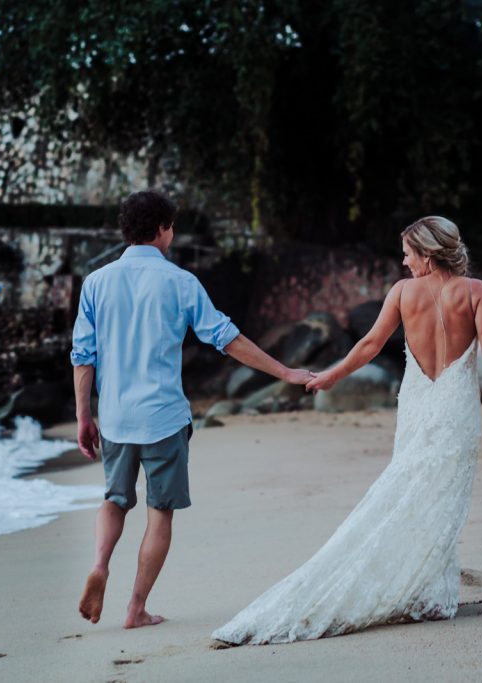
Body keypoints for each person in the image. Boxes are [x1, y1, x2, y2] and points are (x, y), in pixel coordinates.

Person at [213, 216, 482, 645]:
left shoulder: (403, 294)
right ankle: (430, 596)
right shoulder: (476, 292)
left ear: (428, 253)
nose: (403, 262)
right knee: (441, 495)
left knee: (414, 489)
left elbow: (369, 345)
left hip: (419, 406)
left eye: (408, 253)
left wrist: (330, 376)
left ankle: (428, 591)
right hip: (455, 408)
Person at [71, 190, 314, 629]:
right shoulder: (179, 282)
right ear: (163, 229)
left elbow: (82, 355)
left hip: (117, 417)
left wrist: (83, 416)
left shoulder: (96, 283)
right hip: (163, 417)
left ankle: (100, 565)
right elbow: (227, 338)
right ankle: (135, 608)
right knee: (159, 512)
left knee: (114, 499)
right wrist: (285, 372)